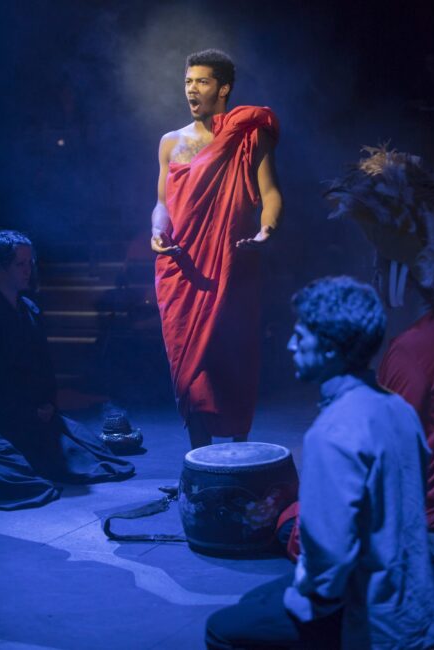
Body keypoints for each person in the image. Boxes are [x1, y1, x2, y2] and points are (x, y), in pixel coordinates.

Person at [206, 276, 434, 650]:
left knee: (222, 629)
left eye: (300, 336)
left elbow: (328, 569)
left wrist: (302, 596)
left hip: (372, 625)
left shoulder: (333, 432)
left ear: (330, 350)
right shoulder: (398, 408)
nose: (290, 344)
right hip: (413, 608)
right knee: (255, 601)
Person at [326, 146, 434, 562]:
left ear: (398, 271)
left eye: (380, 263)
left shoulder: (409, 350)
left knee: (296, 515)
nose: (373, 273)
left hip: (423, 515)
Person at [151, 49, 283, 449]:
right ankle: (200, 466)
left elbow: (270, 192)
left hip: (231, 267)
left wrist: (267, 230)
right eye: (188, 81)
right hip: (182, 271)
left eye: (202, 81)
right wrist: (157, 231)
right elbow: (162, 203)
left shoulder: (247, 137)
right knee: (191, 371)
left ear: (223, 88)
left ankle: (241, 463)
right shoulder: (170, 143)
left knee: (233, 363)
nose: (192, 89)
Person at [0, 230, 135, 508]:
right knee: (31, 464)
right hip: (9, 413)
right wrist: (29, 410)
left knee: (87, 447)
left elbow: (43, 366)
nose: (28, 270)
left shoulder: (28, 308)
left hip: (39, 408)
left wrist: (47, 404)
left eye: (30, 263)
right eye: (20, 264)